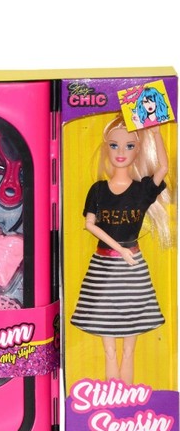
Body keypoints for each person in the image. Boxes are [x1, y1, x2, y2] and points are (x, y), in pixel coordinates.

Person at [70, 114, 170, 384]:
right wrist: (120, 250)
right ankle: (112, 393)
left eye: (129, 145)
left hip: (132, 269)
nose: (121, 152)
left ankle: (126, 396)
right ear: (106, 148)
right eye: (114, 145)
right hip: (104, 266)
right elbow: (90, 225)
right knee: (110, 350)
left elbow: (163, 167)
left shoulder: (142, 191)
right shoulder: (98, 190)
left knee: (128, 350)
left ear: (138, 151)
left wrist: (155, 133)